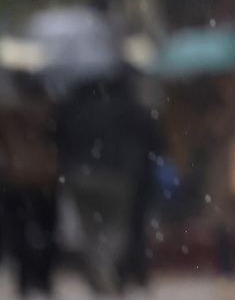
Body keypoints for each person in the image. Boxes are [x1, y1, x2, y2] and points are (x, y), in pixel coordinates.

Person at [54, 63, 163, 296]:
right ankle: (104, 265)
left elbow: (59, 135)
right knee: (115, 227)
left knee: (90, 226)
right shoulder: (128, 107)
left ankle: (96, 264)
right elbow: (153, 138)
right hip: (117, 176)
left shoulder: (76, 105)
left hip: (80, 174)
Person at [0, 68, 60, 299]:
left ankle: (26, 279)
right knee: (47, 230)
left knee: (18, 232)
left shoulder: (6, 112)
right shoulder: (50, 110)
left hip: (14, 177)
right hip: (46, 177)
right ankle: (42, 278)